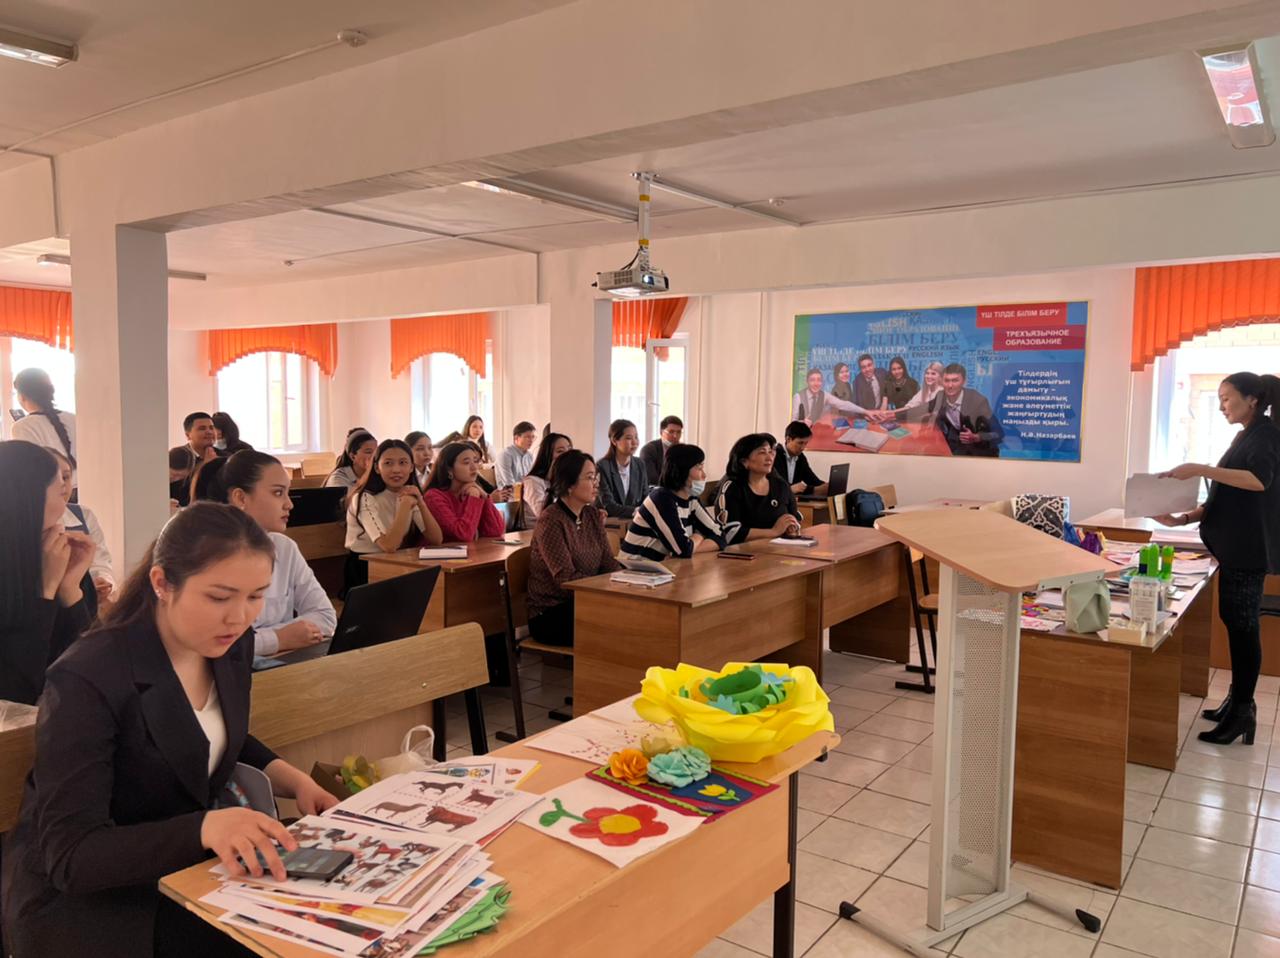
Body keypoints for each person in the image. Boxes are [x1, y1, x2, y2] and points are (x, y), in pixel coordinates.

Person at [1, 503, 339, 957]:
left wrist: (294, 780)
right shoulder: (89, 675)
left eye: (256, 596)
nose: (240, 617)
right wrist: (203, 828)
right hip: (92, 903)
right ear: (162, 583)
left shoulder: (229, 645)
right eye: (219, 597)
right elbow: (72, 856)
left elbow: (207, 733)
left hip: (182, 868)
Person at [1153, 372, 1280, 746]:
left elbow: (1259, 481)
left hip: (1248, 549)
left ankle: (1242, 711)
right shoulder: (1246, 435)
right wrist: (1182, 519)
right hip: (1234, 548)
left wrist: (1200, 468)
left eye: (1226, 398)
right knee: (1235, 623)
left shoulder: (1267, 434)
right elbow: (1224, 495)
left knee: (1243, 628)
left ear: (1252, 399)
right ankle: (1236, 702)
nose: (1222, 406)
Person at [203, 450, 337, 656]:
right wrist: (279, 638)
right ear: (240, 498)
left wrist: (271, 638)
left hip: (282, 661)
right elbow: (211, 642)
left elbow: (325, 616)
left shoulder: (284, 548)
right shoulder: (206, 557)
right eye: (278, 493)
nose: (289, 504)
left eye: (287, 493)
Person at [0, 441, 96, 705]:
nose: (65, 499)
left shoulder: (61, 555)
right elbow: (16, 692)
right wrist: (45, 590)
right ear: (29, 499)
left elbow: (93, 666)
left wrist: (70, 591)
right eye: (59, 488)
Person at [526, 451, 622, 646]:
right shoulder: (551, 520)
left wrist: (625, 581)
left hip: (587, 600)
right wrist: (605, 590)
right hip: (551, 612)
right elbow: (566, 578)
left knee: (635, 611)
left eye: (596, 477)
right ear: (569, 485)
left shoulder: (592, 515)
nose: (596, 483)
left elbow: (608, 563)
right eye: (589, 477)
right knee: (620, 623)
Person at [345, 439, 444, 591]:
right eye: (388, 463)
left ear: (411, 467)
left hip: (396, 562)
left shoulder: (409, 493)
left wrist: (421, 503)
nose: (396, 470)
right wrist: (404, 506)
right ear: (377, 468)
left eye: (403, 463)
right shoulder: (364, 498)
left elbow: (436, 539)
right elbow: (389, 545)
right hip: (365, 568)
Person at [622, 444, 733, 560]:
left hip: (664, 566)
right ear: (682, 471)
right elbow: (683, 549)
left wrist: (691, 546)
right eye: (699, 468)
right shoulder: (661, 499)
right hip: (635, 567)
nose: (704, 475)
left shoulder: (691, 499)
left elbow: (720, 536)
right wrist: (699, 535)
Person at [51, 450, 115, 606]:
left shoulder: (83, 515)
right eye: (53, 477)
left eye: (66, 477)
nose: (62, 485)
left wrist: (101, 580)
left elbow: (100, 560)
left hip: (83, 602)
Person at [715, 434, 802, 545]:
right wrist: (773, 532)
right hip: (744, 552)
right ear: (744, 461)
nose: (769, 458)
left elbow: (795, 517)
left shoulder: (781, 485)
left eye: (770, 452)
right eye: (762, 452)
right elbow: (729, 533)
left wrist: (792, 526)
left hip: (779, 549)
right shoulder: (733, 488)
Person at [424, 442, 507, 542]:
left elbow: (496, 531)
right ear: (449, 470)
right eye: (466, 462)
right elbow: (463, 535)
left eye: (475, 461)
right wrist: (474, 497)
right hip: (438, 552)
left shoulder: (471, 490)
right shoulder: (433, 496)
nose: (474, 467)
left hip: (468, 551)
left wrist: (484, 496)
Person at [927, 363, 1003, 457]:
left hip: (981, 455)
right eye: (947, 380)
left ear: (964, 382)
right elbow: (921, 410)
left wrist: (976, 437)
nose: (950, 385)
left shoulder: (978, 401)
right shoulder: (940, 396)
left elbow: (999, 433)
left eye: (955, 380)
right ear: (942, 382)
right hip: (955, 453)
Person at [12, 368, 76, 466]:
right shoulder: (73, 418)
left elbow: (28, 466)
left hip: (51, 476)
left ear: (22, 396)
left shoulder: (23, 426)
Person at [597, 419, 646, 519]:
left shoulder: (639, 464)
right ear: (614, 441)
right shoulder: (602, 466)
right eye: (629, 438)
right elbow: (609, 505)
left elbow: (645, 497)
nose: (635, 442)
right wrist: (636, 511)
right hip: (609, 523)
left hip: (636, 521)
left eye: (636, 437)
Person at [791, 368, 875, 425]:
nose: (816, 384)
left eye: (819, 380)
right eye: (812, 380)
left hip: (816, 431)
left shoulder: (824, 395)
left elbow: (843, 404)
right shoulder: (798, 397)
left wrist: (866, 412)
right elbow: (793, 421)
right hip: (801, 434)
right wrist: (801, 422)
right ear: (807, 382)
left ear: (822, 382)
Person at [522, 432, 572, 529]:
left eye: (569, 451)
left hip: (561, 529)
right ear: (547, 455)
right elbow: (545, 516)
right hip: (536, 532)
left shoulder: (567, 480)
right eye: (560, 451)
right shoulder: (533, 481)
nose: (567, 456)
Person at [774, 421, 828, 496]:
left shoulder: (800, 457)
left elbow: (812, 479)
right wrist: (814, 490)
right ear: (788, 439)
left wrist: (826, 486)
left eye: (806, 443)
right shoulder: (774, 456)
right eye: (800, 443)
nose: (803, 448)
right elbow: (780, 486)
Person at [325, 429, 377, 503]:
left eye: (376, 452)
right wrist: (368, 471)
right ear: (353, 456)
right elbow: (348, 505)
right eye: (368, 452)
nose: (374, 456)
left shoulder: (377, 474)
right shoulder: (338, 478)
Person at [639, 415, 683, 485]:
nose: (675, 436)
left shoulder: (683, 450)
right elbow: (652, 479)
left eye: (678, 432)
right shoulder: (649, 450)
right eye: (671, 432)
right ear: (661, 432)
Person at [495, 421, 537, 488]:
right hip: (509, 493)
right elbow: (509, 484)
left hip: (526, 491)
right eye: (528, 437)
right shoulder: (505, 455)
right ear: (516, 438)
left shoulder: (530, 456)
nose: (531, 440)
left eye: (533, 437)